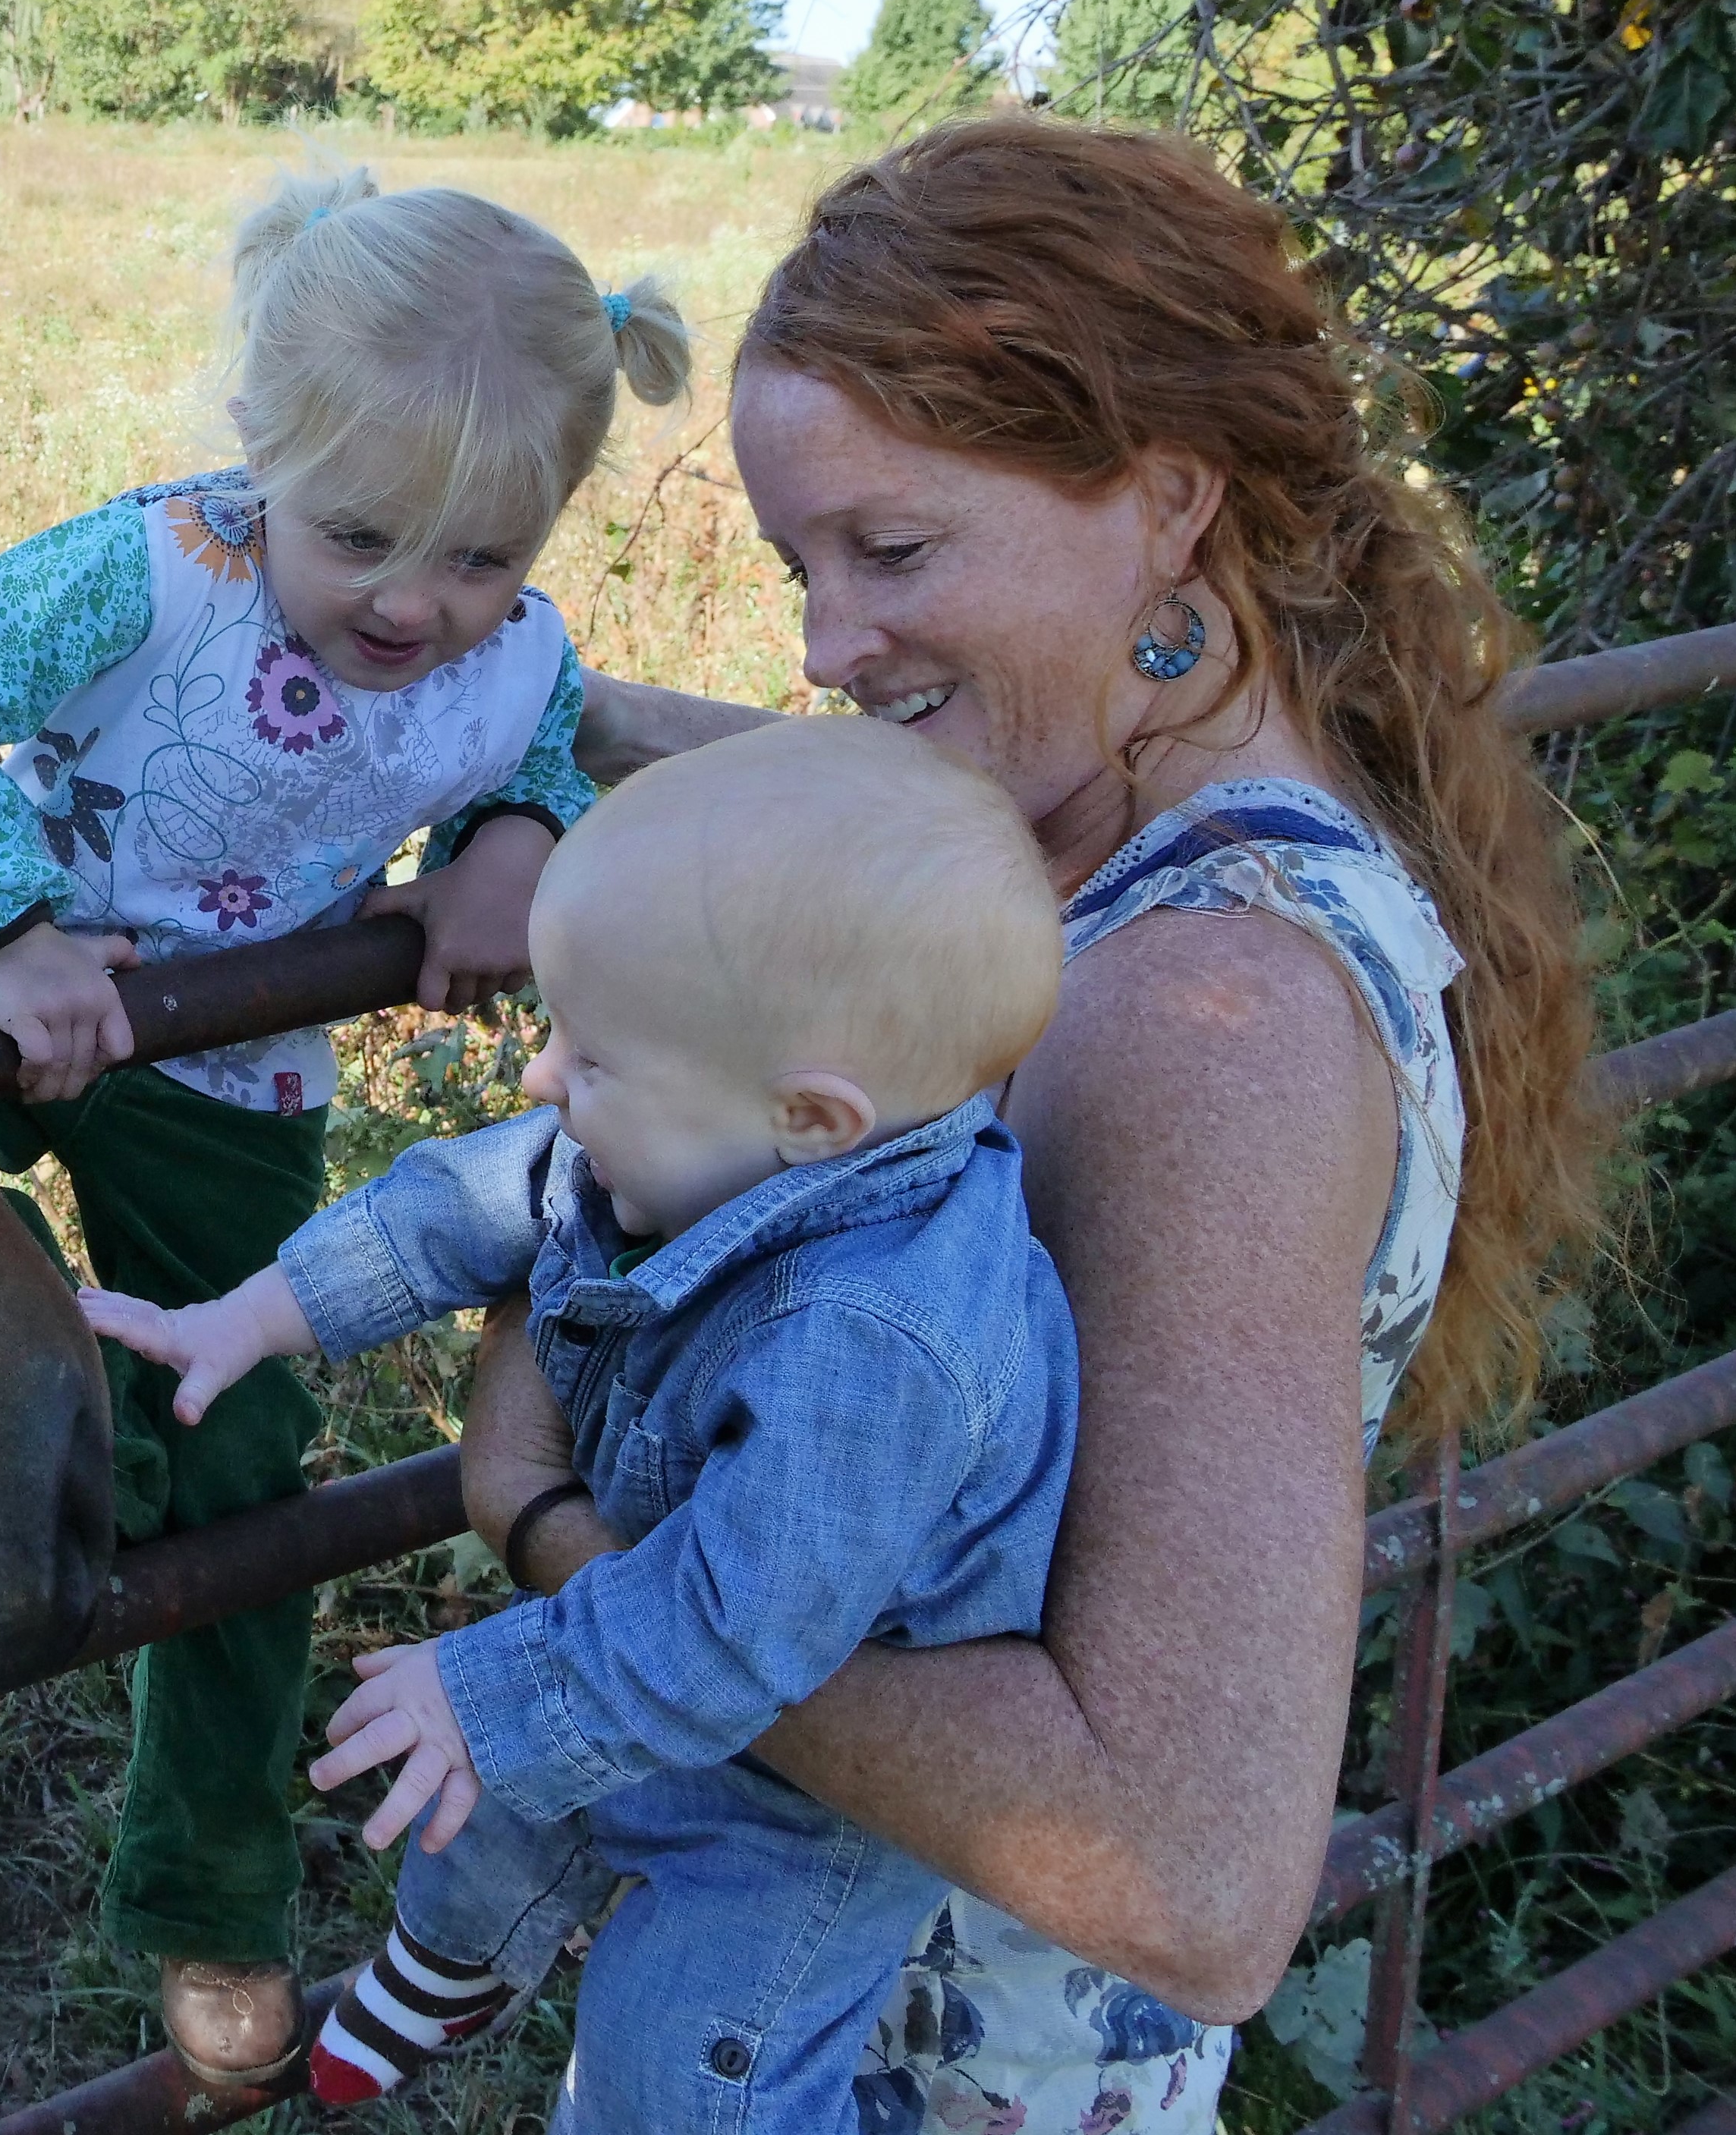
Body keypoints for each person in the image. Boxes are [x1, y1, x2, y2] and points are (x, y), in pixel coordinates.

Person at [472, 116, 1604, 2129]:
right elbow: (877, 815)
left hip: (891, 2069)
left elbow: (1186, 1873)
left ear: (1166, 502)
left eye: (894, 554)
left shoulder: (1205, 1020)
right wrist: (541, 730)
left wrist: (576, 1541)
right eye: (801, 566)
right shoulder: (1117, 849)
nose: (828, 645)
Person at [0, 164, 690, 2084]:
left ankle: (208, 1899)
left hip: (230, 1079)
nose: (416, 604)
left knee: (244, 1466)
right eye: (366, 534)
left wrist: (510, 838)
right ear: (260, 450)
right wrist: (2, 927)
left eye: (480, 557)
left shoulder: (518, 652)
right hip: (11, 1008)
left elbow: (533, 744)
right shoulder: (158, 572)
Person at [85, 715, 1077, 2127]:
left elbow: (742, 1629)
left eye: (591, 1060)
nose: (543, 1079)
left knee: (680, 2048)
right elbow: (456, 1205)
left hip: (807, 1800)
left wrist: (495, 1692)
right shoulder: (707, 1132)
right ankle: (453, 1960)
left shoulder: (878, 1343)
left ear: (813, 1115)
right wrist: (238, 1320)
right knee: (480, 1795)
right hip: (651, 1625)